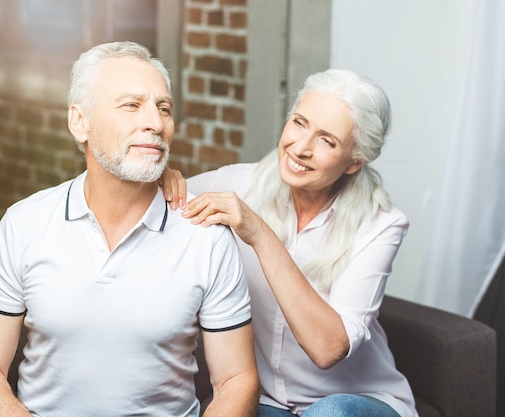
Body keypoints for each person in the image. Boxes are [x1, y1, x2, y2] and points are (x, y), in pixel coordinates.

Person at [0, 41, 259, 417]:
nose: (155, 122)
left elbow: (237, 380)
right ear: (80, 122)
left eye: (163, 108)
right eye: (132, 105)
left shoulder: (207, 235)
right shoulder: (24, 223)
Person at [162, 68, 418, 417]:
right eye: (299, 123)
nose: (300, 148)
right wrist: (167, 176)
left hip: (356, 401)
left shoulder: (382, 225)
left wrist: (259, 232)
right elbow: (155, 201)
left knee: (330, 412)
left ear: (353, 163)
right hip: (270, 403)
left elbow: (328, 349)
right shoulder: (237, 182)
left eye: (327, 141)